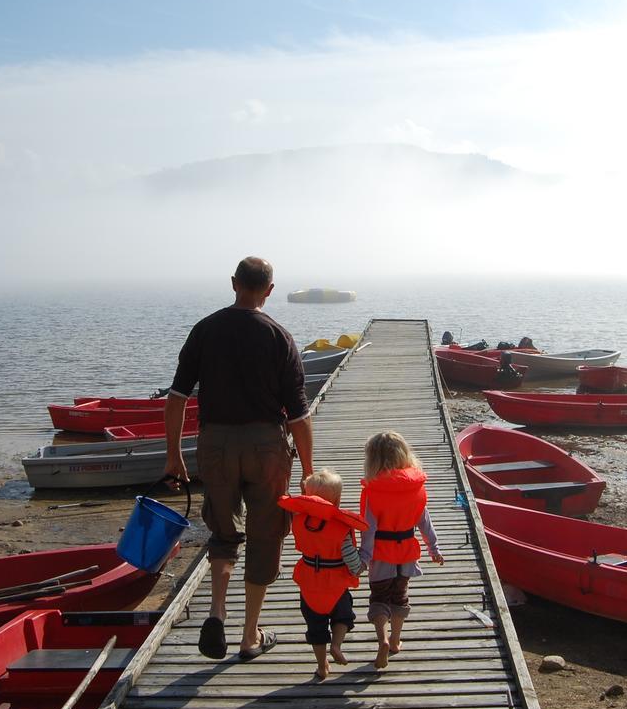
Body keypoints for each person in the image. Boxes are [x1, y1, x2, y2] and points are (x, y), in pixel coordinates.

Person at [164, 256, 314, 661]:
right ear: (269, 289)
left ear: (234, 283)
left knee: (223, 533)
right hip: (267, 446)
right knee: (265, 537)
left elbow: (177, 398)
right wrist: (309, 471)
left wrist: (174, 456)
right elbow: (299, 416)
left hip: (216, 443)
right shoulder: (279, 337)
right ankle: (250, 635)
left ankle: (216, 611)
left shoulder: (205, 330)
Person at [358, 431, 444, 669]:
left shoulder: (372, 491)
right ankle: (395, 640)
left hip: (381, 555)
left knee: (379, 598)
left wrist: (364, 557)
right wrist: (433, 548)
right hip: (406, 552)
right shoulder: (416, 487)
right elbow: (425, 522)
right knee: (400, 596)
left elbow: (369, 529)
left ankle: (382, 639)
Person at [279, 469, 366, 679]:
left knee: (316, 626)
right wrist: (359, 567)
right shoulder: (340, 527)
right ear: (336, 500)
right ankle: (336, 644)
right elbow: (350, 557)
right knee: (343, 617)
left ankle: (322, 665)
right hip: (336, 585)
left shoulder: (299, 521)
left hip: (310, 583)